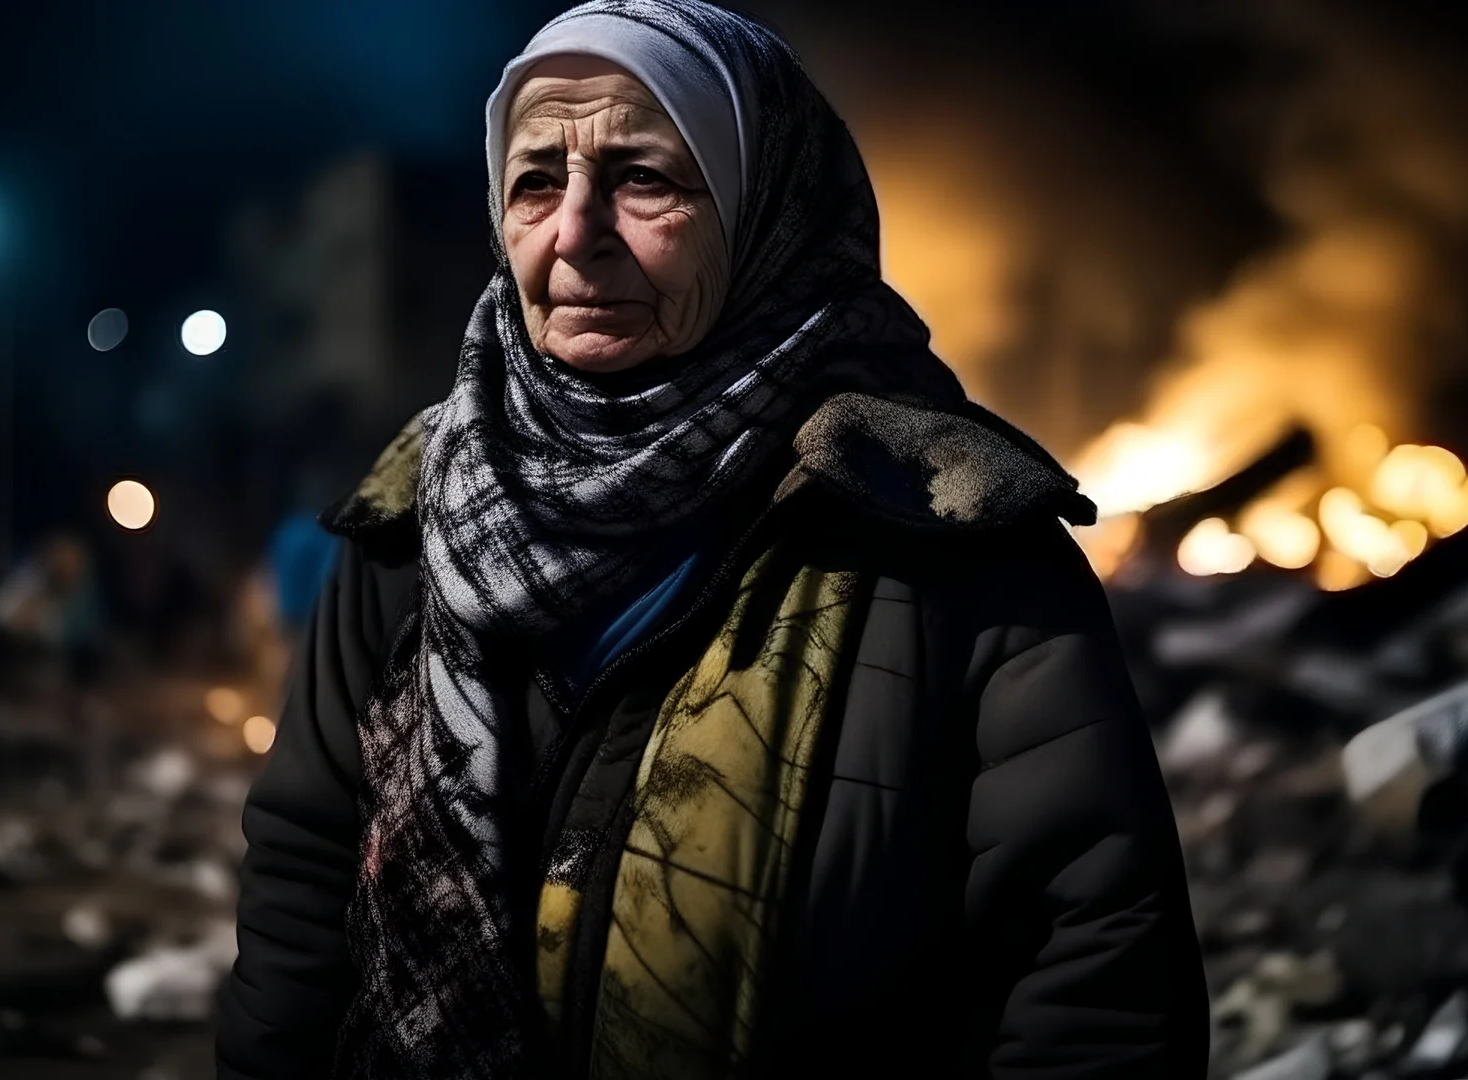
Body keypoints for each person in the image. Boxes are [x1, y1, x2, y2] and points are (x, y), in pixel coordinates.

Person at [217, 2, 1207, 1077]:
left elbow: (1094, 970)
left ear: (765, 213)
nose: (576, 231)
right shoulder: (415, 516)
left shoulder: (943, 529)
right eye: (536, 181)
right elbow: (305, 896)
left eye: (646, 180)